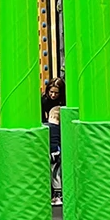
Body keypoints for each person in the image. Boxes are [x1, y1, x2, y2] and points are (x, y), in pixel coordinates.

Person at [41, 77, 66, 207]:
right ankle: (55, 192)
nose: (53, 95)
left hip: (61, 130)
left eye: (56, 93)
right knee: (54, 162)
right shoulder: (44, 100)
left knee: (57, 163)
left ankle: (58, 193)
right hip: (51, 131)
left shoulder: (64, 102)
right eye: (51, 92)